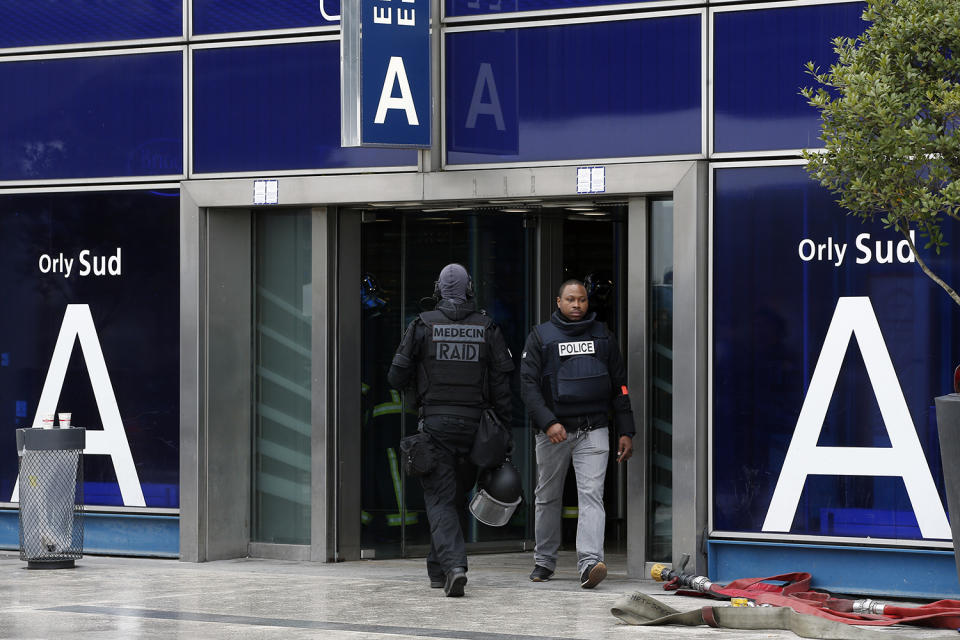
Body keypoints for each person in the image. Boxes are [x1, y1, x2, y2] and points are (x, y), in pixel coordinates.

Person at [388, 263, 514, 597]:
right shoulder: (488, 327)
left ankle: (455, 566)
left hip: (437, 426)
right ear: (470, 288)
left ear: (439, 289)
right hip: (477, 429)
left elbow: (395, 377)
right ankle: (437, 569)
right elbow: (502, 387)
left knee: (441, 500)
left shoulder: (421, 325)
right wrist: (505, 436)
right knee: (453, 498)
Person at [520, 279, 635, 589]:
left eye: (582, 300)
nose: (576, 305)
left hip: (593, 429)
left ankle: (589, 564)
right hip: (553, 433)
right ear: (558, 302)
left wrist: (626, 429)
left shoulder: (603, 336)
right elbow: (528, 387)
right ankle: (544, 562)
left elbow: (619, 386)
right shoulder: (540, 337)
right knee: (547, 498)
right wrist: (548, 422)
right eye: (570, 299)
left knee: (591, 497)